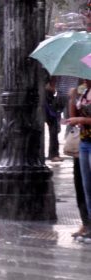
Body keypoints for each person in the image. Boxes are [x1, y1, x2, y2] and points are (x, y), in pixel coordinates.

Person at [65, 79, 91, 240]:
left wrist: (81, 120)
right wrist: (72, 98)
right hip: (83, 143)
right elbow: (72, 117)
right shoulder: (82, 90)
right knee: (85, 186)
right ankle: (87, 223)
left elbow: (79, 120)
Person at [44, 76, 63, 162]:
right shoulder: (50, 77)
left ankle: (54, 153)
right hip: (48, 106)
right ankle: (53, 154)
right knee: (54, 130)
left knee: (54, 130)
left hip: (48, 104)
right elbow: (50, 87)